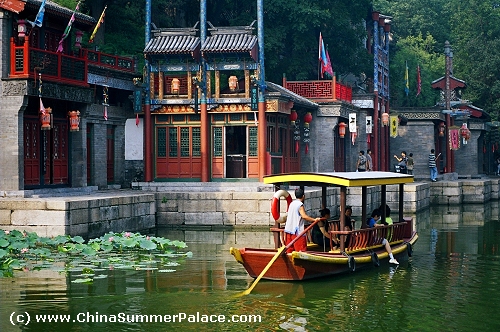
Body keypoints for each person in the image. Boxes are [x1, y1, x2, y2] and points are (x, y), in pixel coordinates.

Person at [284, 188, 321, 253]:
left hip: (289, 230)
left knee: (289, 251)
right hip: (297, 232)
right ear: (303, 196)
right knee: (301, 251)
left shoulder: (291, 204)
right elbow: (304, 216)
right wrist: (314, 220)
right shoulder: (300, 205)